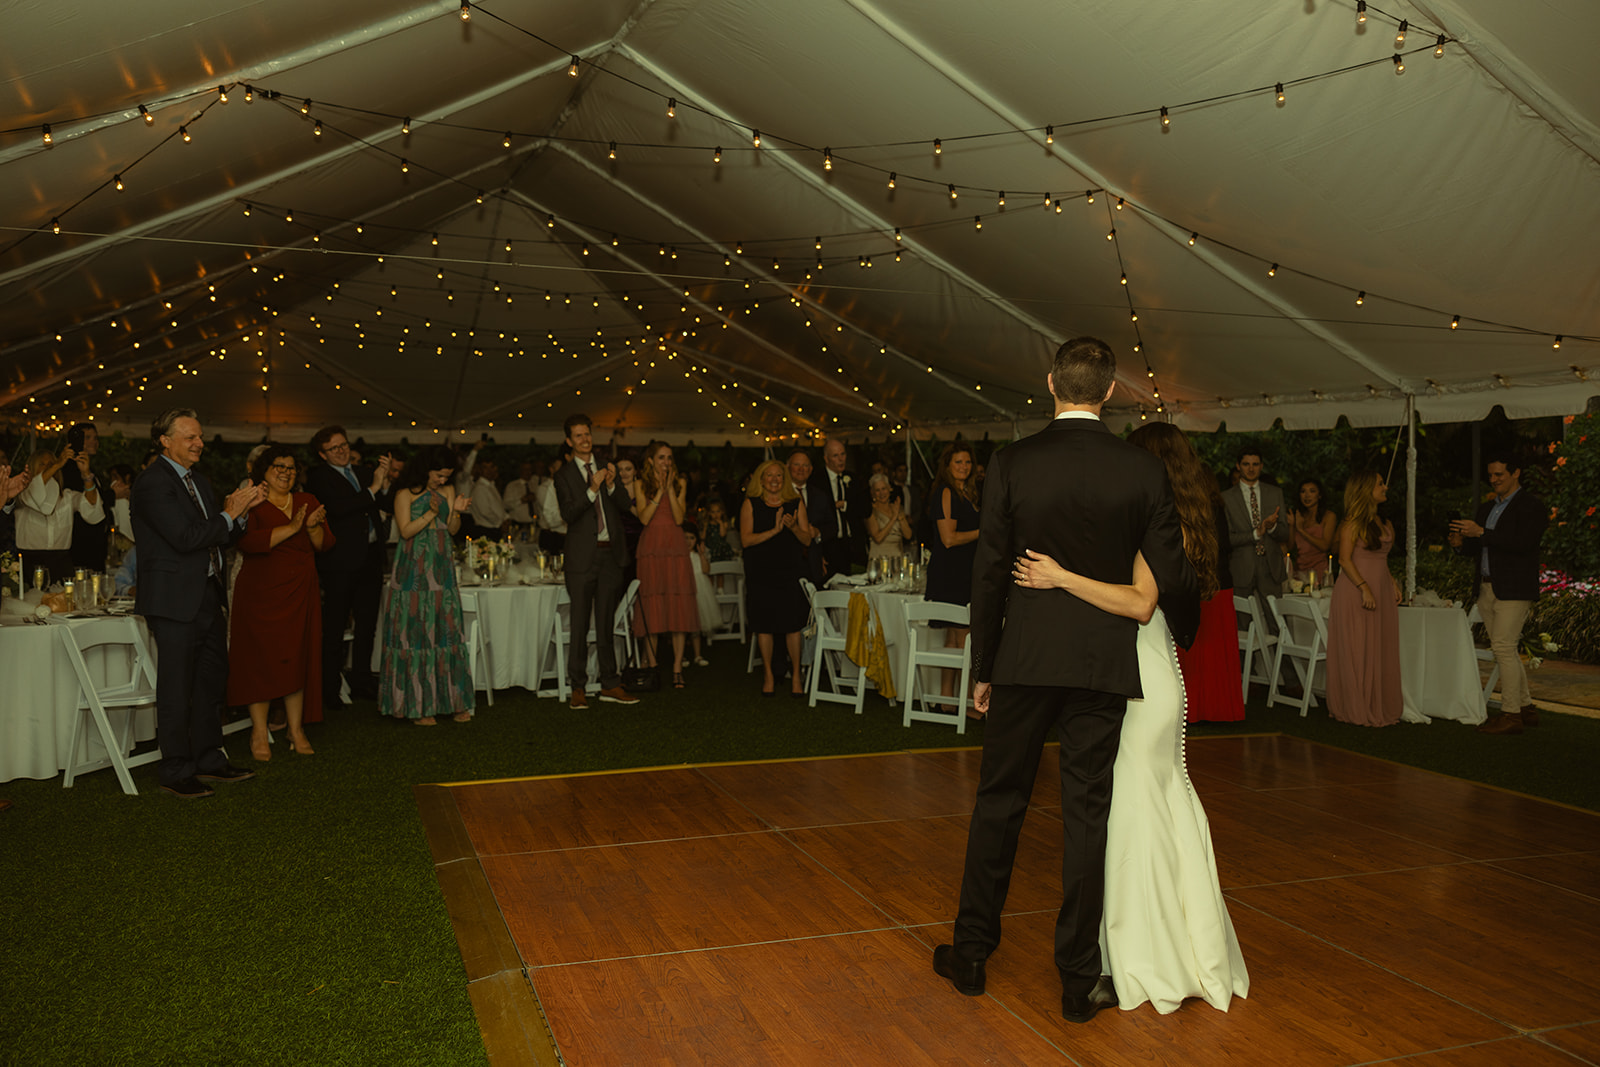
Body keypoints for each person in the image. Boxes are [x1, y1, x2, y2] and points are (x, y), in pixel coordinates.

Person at [932, 337, 1196, 1024]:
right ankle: (1078, 980)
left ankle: (971, 953)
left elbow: (989, 571)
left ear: (1050, 383)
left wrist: (984, 667)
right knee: (1087, 817)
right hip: (1100, 665)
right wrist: (1188, 631)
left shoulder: (1013, 461)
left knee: (1000, 802)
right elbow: (1171, 568)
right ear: (1108, 392)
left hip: (1025, 659)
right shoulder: (1139, 471)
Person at [1011, 463, 1248, 1015]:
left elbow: (1140, 604)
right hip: (1152, 674)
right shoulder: (1170, 529)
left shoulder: (1151, 532)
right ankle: (1171, 948)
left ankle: (1148, 956)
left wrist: (1061, 577)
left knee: (1137, 814)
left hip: (1142, 681)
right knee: (1154, 809)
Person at [131, 409, 263, 798]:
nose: (199, 443)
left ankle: (209, 759)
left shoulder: (199, 482)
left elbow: (216, 535)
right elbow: (187, 537)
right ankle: (175, 769)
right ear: (165, 441)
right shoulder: (153, 483)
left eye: (200, 437)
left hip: (206, 595)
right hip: (173, 600)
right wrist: (230, 513)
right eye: (190, 437)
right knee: (176, 687)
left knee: (210, 681)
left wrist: (239, 518)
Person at [1127, 424, 1245, 724]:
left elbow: (1143, 600)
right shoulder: (1190, 512)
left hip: (1146, 634)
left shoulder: (1160, 521)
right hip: (1159, 636)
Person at [227, 445, 333, 759]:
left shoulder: (307, 500)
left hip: (300, 589)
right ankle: (259, 732)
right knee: (259, 658)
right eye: (278, 466)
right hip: (260, 591)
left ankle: (295, 728)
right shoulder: (250, 501)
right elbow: (246, 542)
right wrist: (291, 527)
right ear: (263, 471)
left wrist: (312, 527)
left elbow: (325, 544)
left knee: (295, 656)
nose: (285, 472)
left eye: (290, 467)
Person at [1449, 452, 1548, 735]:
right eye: (1490, 475)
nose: (1493, 480)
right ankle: (1526, 707)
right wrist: (1459, 543)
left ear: (1516, 473)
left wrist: (1481, 532)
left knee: (1503, 648)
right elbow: (1478, 548)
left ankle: (1510, 714)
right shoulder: (1486, 507)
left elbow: (1523, 544)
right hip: (1486, 586)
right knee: (1506, 650)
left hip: (1515, 587)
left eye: (1499, 475)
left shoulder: (1531, 506)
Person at [379, 446, 474, 725]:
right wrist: (432, 514)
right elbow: (406, 530)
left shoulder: (447, 491)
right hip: (413, 569)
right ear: (425, 470)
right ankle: (418, 705)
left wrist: (455, 512)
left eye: (446, 476)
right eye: (438, 475)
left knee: (445, 630)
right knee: (416, 631)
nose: (442, 481)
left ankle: (453, 701)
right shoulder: (404, 494)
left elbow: (452, 530)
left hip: (441, 567)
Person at [555, 415, 641, 710]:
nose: (584, 439)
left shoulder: (607, 467)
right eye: (578, 435)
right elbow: (569, 513)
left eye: (587, 434)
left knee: (606, 622)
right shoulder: (563, 475)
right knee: (579, 624)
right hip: (581, 559)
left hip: (610, 555)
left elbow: (625, 507)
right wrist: (592, 488)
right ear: (569, 441)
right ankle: (577, 687)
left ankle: (610, 683)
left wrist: (613, 484)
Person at [306, 426, 392, 705]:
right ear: (322, 454)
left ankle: (363, 681)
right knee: (335, 625)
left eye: (344, 445)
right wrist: (374, 488)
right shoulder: (319, 478)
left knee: (368, 623)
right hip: (340, 562)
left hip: (369, 557)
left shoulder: (364, 473)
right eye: (334, 448)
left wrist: (385, 482)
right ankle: (328, 688)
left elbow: (386, 502)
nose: (342, 451)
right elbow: (339, 508)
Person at [1325, 471, 1403, 727]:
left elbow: (1382, 559)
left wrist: (1391, 582)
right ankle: (1355, 705)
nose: (1385, 487)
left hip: (1379, 588)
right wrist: (1364, 588)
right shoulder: (1351, 523)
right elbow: (1344, 559)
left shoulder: (1382, 522)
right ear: (1366, 489)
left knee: (1378, 646)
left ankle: (1376, 703)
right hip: (1355, 591)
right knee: (1358, 647)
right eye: (1380, 484)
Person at [740, 459, 813, 697]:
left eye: (779, 476)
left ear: (785, 480)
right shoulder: (750, 504)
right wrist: (773, 531)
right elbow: (746, 540)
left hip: (788, 572)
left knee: (792, 625)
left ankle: (796, 676)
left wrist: (791, 528)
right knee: (764, 626)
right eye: (769, 476)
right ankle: (769, 675)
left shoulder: (795, 502)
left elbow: (807, 539)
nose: (774, 480)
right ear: (760, 480)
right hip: (761, 573)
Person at [633, 441, 699, 689]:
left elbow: (680, 518)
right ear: (650, 460)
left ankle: (677, 667)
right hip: (651, 547)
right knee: (653, 604)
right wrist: (659, 491)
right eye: (661, 458)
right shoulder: (641, 484)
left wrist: (670, 489)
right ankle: (652, 666)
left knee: (678, 603)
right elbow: (644, 517)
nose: (666, 462)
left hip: (674, 546)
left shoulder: (680, 482)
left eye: (669, 458)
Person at [925, 441, 981, 703]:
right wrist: (984, 532)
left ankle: (947, 699)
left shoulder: (967, 492)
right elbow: (948, 538)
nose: (963, 466)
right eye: (958, 462)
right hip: (952, 573)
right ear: (947, 465)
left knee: (954, 637)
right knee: (963, 638)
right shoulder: (945, 492)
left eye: (967, 462)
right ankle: (963, 702)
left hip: (963, 571)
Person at [16, 445, 103, 585]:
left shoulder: (67, 497)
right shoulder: (21, 493)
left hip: (61, 563)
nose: (50, 467)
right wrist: (57, 464)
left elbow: (91, 507)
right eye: (42, 464)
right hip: (29, 562)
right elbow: (34, 490)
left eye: (51, 464)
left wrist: (86, 474)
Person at [1224, 448, 1289, 628]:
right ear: (1238, 466)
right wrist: (1255, 534)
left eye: (1255, 464)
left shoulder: (1275, 493)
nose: (1251, 469)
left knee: (1277, 623)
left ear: (1261, 466)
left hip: (1270, 566)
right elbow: (1226, 539)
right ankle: (1244, 658)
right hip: (1242, 567)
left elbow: (1285, 533)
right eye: (1246, 464)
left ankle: (1282, 657)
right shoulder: (1226, 498)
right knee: (1242, 626)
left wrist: (1272, 527)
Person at [61, 422, 109, 570]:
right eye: (87, 437)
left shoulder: (90, 468)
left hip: (95, 540)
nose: (93, 442)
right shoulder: (69, 469)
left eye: (95, 437)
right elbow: (84, 502)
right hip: (81, 541)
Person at [817, 437, 868, 577]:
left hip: (852, 545)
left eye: (843, 454)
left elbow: (865, 508)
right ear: (826, 459)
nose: (841, 459)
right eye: (835, 456)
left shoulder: (853, 479)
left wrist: (845, 505)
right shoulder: (817, 481)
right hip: (829, 546)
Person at [787, 449, 829, 585]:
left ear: (810, 469)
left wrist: (818, 532)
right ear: (788, 467)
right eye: (796, 465)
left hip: (813, 563)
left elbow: (832, 526)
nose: (801, 469)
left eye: (805, 466)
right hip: (787, 564)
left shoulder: (820, 495)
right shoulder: (780, 495)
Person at [1288, 478, 1337, 584]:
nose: (1307, 495)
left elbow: (1325, 546)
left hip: (1319, 572)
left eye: (1312, 491)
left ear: (1320, 495)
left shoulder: (1329, 516)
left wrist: (1302, 530)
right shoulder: (1299, 516)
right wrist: (1292, 526)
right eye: (1303, 491)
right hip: (1299, 573)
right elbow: (1290, 546)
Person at [685, 524, 720, 666]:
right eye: (685, 538)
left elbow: (706, 570)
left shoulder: (698, 555)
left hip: (699, 590)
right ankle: (681, 656)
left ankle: (697, 655)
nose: (688, 541)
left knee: (697, 624)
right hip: (684, 591)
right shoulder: (678, 556)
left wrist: (702, 555)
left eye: (691, 538)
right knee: (683, 626)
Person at [865, 472, 913, 560]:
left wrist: (899, 515)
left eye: (884, 489)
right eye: (877, 490)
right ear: (872, 493)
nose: (881, 493)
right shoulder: (870, 510)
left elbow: (908, 535)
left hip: (898, 558)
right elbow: (878, 538)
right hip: (879, 559)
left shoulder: (897, 507)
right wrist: (894, 518)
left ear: (889, 489)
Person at [466, 458, 507, 538]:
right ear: (480, 470)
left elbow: (499, 507)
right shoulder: (479, 488)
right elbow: (485, 512)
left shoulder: (491, 485)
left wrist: (506, 518)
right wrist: (500, 523)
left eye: (491, 467)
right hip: (486, 530)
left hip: (494, 529)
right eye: (485, 468)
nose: (489, 471)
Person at [536, 455, 568, 555]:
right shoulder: (544, 488)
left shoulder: (566, 487)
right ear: (551, 469)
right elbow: (551, 517)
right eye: (560, 467)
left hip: (565, 536)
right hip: (551, 536)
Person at [502, 460, 540, 537]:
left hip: (534, 524)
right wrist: (521, 500)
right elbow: (506, 505)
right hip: (518, 525)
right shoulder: (512, 486)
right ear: (520, 471)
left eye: (529, 470)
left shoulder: (535, 484)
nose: (528, 472)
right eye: (525, 469)